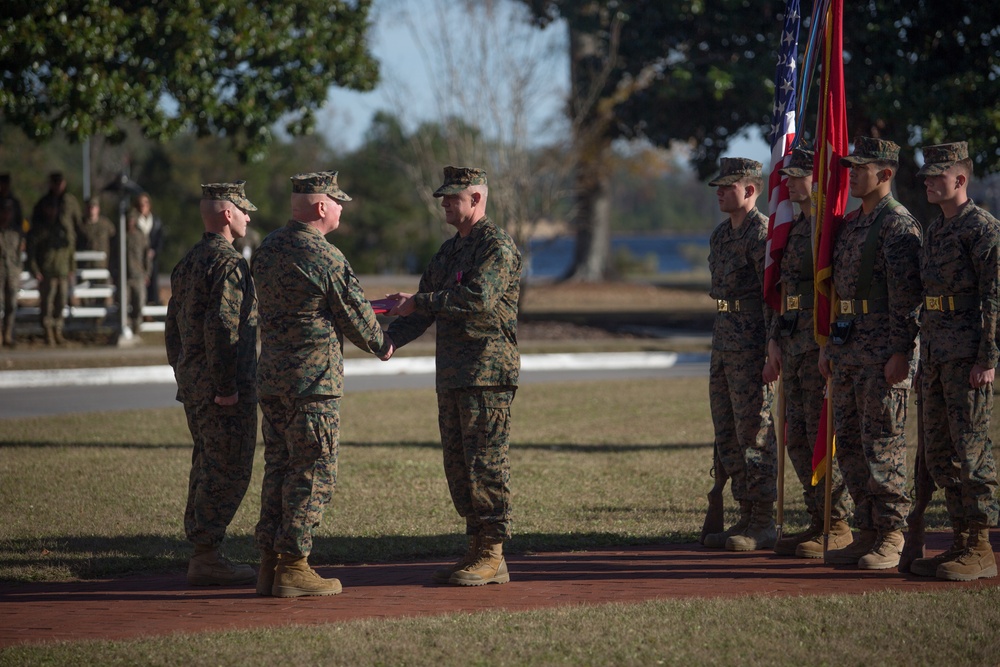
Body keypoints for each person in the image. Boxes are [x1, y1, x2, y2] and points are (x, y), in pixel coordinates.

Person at [253, 171, 392, 598]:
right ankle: (294, 565)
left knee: (279, 468)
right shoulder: (324, 256)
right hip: (313, 383)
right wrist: (383, 343)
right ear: (320, 207)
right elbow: (354, 314)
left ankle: (269, 564)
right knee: (314, 469)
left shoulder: (267, 248)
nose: (342, 208)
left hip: (273, 381)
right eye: (338, 201)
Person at [386, 166, 521, 586]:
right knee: (459, 468)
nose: (445, 204)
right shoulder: (448, 252)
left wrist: (418, 301)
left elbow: (477, 298)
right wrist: (388, 341)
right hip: (453, 375)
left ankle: (494, 553)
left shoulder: (495, 247)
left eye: (452, 197)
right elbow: (422, 309)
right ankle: (475, 547)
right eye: (443, 198)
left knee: (485, 466)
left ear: (476, 199)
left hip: (486, 374)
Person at [818, 137, 923, 570]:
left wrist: (902, 351)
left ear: (886, 174)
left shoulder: (898, 226)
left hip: (883, 352)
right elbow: (840, 293)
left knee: (883, 445)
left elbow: (908, 300)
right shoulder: (851, 225)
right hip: (848, 350)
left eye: (861, 168)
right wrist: (830, 346)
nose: (852, 173)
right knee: (852, 448)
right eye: (851, 166)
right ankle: (867, 530)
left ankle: (892, 534)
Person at [909, 141, 999, 581]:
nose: (928, 181)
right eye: (927, 175)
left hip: (967, 359)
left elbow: (994, 299)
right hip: (936, 355)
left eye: (937, 175)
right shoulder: (934, 230)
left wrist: (988, 357)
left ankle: (981, 546)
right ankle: (961, 541)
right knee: (941, 454)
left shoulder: (982, 229)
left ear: (960, 180)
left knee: (972, 453)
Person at [165, 181, 260, 587]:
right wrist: (225, 385)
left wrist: (184, 371)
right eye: (243, 211)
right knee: (228, 467)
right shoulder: (229, 264)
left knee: (205, 462)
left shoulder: (187, 262)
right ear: (227, 214)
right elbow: (223, 325)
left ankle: (204, 550)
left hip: (194, 383)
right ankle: (206, 555)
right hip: (223, 389)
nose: (249, 217)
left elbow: (172, 329)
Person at [765, 146, 854, 558]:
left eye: (800, 175)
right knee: (797, 436)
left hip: (819, 343)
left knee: (822, 433)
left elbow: (837, 290)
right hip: (794, 342)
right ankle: (816, 517)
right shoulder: (796, 227)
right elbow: (784, 291)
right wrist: (774, 339)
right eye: (788, 175)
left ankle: (837, 521)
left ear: (818, 180)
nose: (790, 182)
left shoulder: (827, 230)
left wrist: (831, 343)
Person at [701, 157, 778, 552]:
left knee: (755, 431)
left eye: (727, 186)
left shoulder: (762, 234)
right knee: (727, 431)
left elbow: (771, 299)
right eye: (718, 186)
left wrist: (771, 348)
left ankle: (764, 519)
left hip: (752, 344)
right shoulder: (721, 235)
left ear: (750, 190)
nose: (719, 192)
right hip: (724, 341)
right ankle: (745, 512)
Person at [28, 172, 81, 345]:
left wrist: (72, 267)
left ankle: (57, 330)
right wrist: (35, 269)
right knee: (47, 302)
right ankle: (48, 332)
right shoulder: (41, 226)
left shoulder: (70, 203)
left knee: (61, 301)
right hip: (47, 269)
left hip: (63, 268)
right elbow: (32, 249)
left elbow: (71, 245)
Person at [129, 193, 164, 305]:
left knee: (152, 286)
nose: (143, 206)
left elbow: (159, 239)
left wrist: (153, 251)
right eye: (140, 204)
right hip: (136, 260)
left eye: (145, 203)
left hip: (151, 259)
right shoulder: (132, 222)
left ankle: (151, 304)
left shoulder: (156, 222)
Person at [0, 197, 23, 346]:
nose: (6, 214)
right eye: (4, 211)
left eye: (9, 211)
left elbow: (19, 254)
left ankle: (8, 335)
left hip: (12, 273)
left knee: (11, 305)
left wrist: (18, 271)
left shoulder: (16, 232)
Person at [125, 213, 150, 335]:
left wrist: (147, 273)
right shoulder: (121, 235)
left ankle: (136, 329)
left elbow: (146, 256)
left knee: (138, 303)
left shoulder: (140, 236)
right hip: (124, 276)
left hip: (138, 275)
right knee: (124, 304)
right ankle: (126, 328)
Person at [77, 197, 116, 268]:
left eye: (94, 207)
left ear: (98, 209)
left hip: (102, 264)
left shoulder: (105, 224)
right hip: (85, 265)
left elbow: (113, 238)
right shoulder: (81, 224)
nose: (91, 209)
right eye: (89, 207)